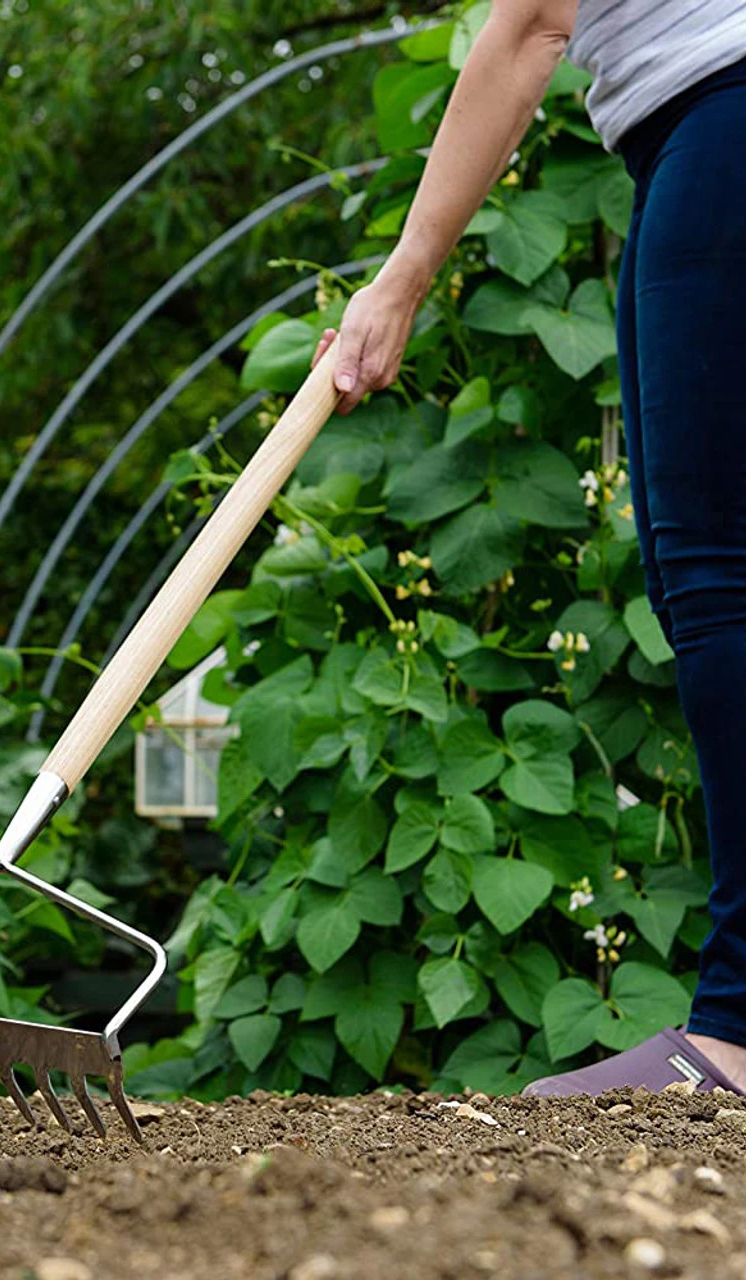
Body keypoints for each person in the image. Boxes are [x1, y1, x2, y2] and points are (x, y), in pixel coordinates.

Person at [312, 0, 746, 1096]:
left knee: (719, 578)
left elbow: (531, 27)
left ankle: (739, 1027)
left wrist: (399, 280)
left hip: (727, 124)